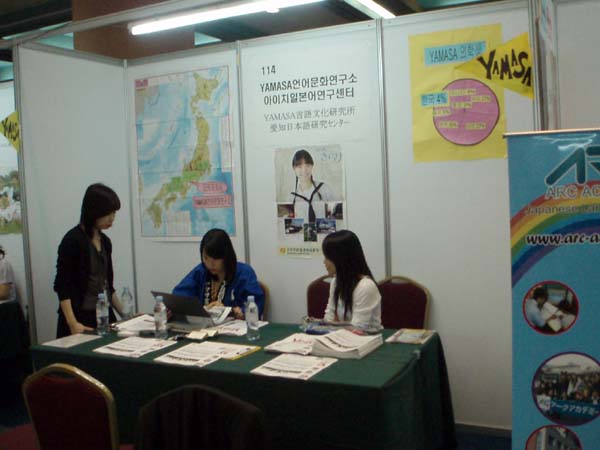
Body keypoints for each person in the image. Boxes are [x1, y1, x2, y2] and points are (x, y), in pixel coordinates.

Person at [54, 183, 124, 338]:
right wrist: (73, 323)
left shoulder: (105, 242)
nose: (112, 218)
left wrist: (127, 315)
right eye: (108, 213)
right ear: (94, 212)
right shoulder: (72, 240)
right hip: (79, 318)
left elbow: (108, 287)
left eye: (114, 213)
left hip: (104, 315)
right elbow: (62, 287)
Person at [173, 228, 264, 319]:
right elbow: (179, 298)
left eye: (215, 259)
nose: (210, 264)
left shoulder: (244, 273)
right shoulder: (201, 271)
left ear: (226, 256)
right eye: (206, 258)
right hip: (204, 325)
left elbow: (255, 307)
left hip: (235, 326)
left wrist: (230, 311)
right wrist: (203, 309)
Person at [321, 230, 382, 331]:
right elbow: (329, 318)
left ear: (340, 258)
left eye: (327, 257)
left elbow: (357, 328)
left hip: (366, 337)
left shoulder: (366, 286)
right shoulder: (335, 282)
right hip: (342, 336)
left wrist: (333, 327)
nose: (324, 262)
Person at [289, 149, 336, 223]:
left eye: (307, 166)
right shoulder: (291, 197)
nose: (304, 170)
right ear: (294, 169)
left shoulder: (324, 189)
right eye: (300, 167)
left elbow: (335, 216)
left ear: (312, 166)